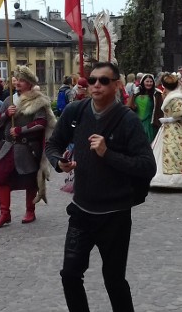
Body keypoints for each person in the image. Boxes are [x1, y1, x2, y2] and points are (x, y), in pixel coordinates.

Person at [44, 61, 156, 312]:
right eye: (92, 80)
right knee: (70, 275)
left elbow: (148, 167)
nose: (96, 85)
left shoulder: (127, 120)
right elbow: (51, 145)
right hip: (81, 211)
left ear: (116, 85)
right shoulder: (76, 111)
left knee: (114, 280)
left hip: (114, 215)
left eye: (104, 81)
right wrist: (58, 162)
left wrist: (108, 153)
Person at [0, 65, 56, 228]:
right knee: (1, 178)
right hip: (8, 147)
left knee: (30, 180)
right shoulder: (8, 100)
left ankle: (30, 210)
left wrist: (20, 130)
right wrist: (6, 115)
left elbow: (41, 123)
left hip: (27, 148)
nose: (18, 83)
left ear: (30, 83)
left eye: (22, 80)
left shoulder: (38, 100)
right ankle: (4, 214)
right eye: (17, 79)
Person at [149, 73, 182, 188]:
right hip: (169, 128)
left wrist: (169, 119)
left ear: (164, 85)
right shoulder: (174, 95)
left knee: (174, 150)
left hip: (174, 128)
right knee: (172, 151)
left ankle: (175, 178)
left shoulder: (175, 97)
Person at [127, 73, 163, 143]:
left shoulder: (156, 94)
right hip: (137, 122)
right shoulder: (136, 92)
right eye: (147, 81)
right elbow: (129, 106)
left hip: (150, 123)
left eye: (151, 81)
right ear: (143, 82)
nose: (149, 83)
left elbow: (160, 109)